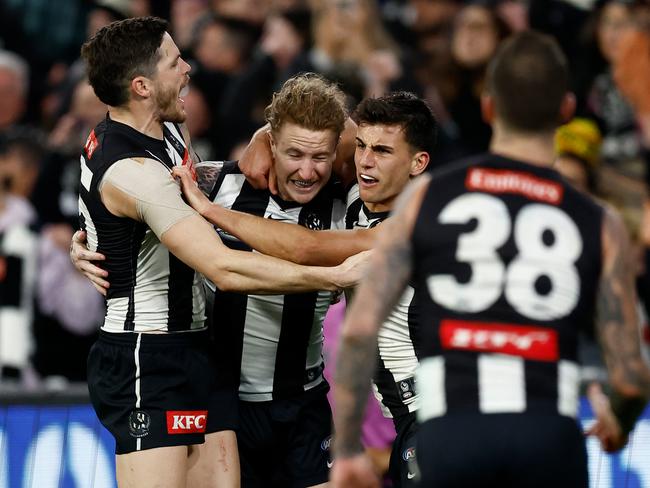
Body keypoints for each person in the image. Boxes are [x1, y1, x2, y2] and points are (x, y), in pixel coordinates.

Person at [330, 31, 650, 488]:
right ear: (565, 109)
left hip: (449, 432)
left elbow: (359, 332)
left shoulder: (427, 200)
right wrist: (618, 421)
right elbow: (632, 377)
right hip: (547, 435)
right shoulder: (598, 222)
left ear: (488, 107)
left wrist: (346, 450)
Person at [73, 90, 437, 487]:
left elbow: (307, 240)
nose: (309, 171)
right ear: (275, 146)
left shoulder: (349, 200)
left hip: (306, 402)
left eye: (320, 157)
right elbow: (127, 215)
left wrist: (263, 139)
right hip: (223, 406)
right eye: (294, 154)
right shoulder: (213, 184)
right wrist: (89, 244)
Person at [76, 17, 365, 488]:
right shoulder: (132, 170)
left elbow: (347, 131)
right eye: (175, 62)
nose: (188, 68)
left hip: (198, 350)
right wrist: (335, 276)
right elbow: (223, 266)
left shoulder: (166, 130)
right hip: (146, 355)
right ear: (142, 86)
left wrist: (262, 136)